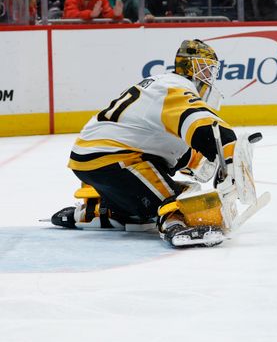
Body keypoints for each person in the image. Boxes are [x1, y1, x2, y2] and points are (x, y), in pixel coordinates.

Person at [50, 39, 258, 248]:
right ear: (190, 67)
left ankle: (100, 212)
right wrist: (228, 151)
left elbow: (161, 141)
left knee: (147, 203)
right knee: (184, 199)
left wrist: (198, 161)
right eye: (205, 69)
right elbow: (203, 124)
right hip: (115, 158)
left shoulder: (157, 83)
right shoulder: (176, 87)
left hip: (89, 158)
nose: (208, 77)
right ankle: (176, 224)